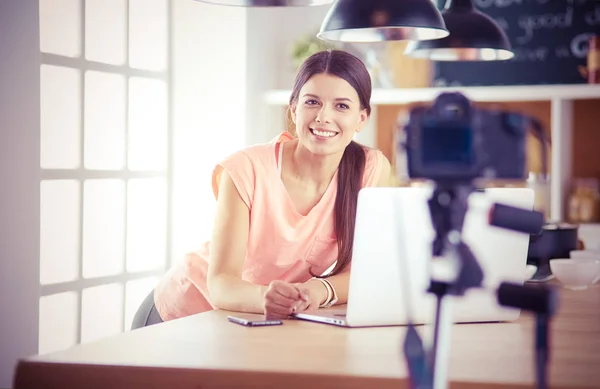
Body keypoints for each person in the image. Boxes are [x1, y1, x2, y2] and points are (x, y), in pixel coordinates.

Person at [131, 49, 392, 330]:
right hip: (181, 312)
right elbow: (220, 285)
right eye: (312, 102)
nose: (323, 117)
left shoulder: (370, 169)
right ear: (294, 110)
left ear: (362, 118)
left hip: (253, 319)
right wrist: (266, 297)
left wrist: (318, 290)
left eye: (341, 106)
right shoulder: (245, 168)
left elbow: (364, 271)